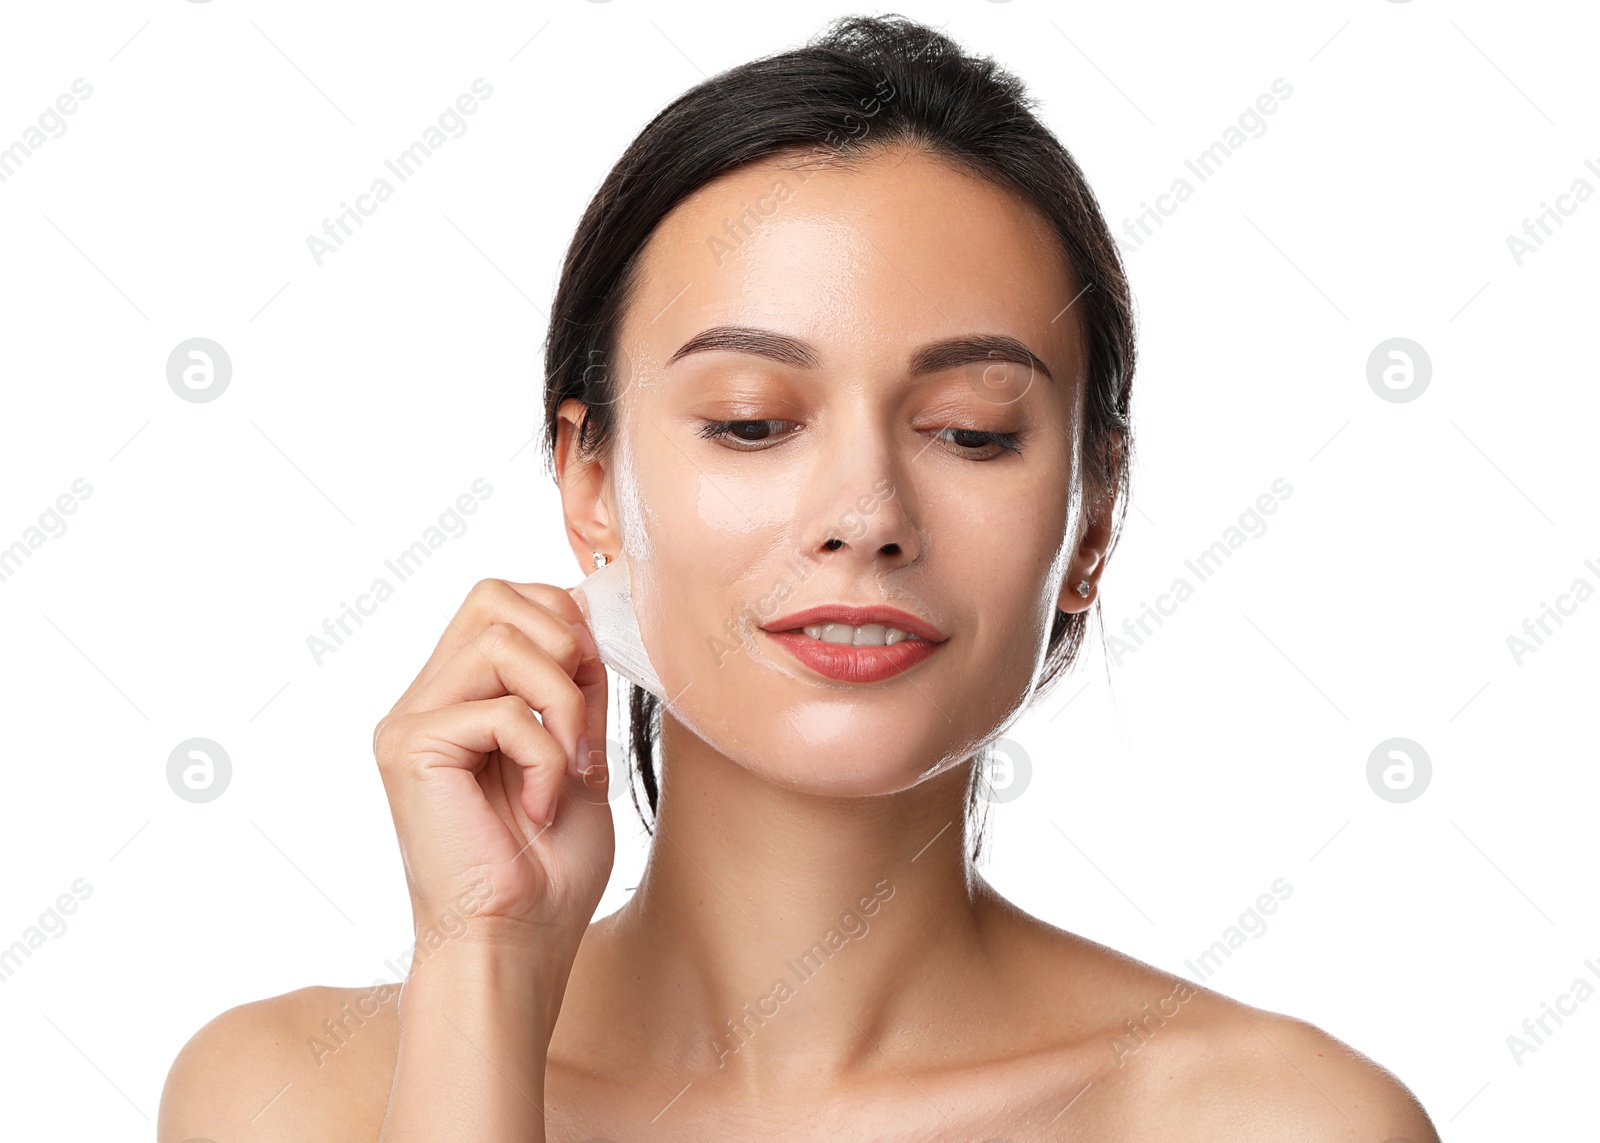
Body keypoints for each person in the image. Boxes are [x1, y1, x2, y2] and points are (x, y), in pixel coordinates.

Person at [159, 15, 1440, 1141]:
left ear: (1091, 516)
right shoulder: (290, 1099)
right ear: (590, 484)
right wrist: (482, 973)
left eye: (972, 431)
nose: (866, 518)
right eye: (753, 423)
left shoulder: (1284, 1123)